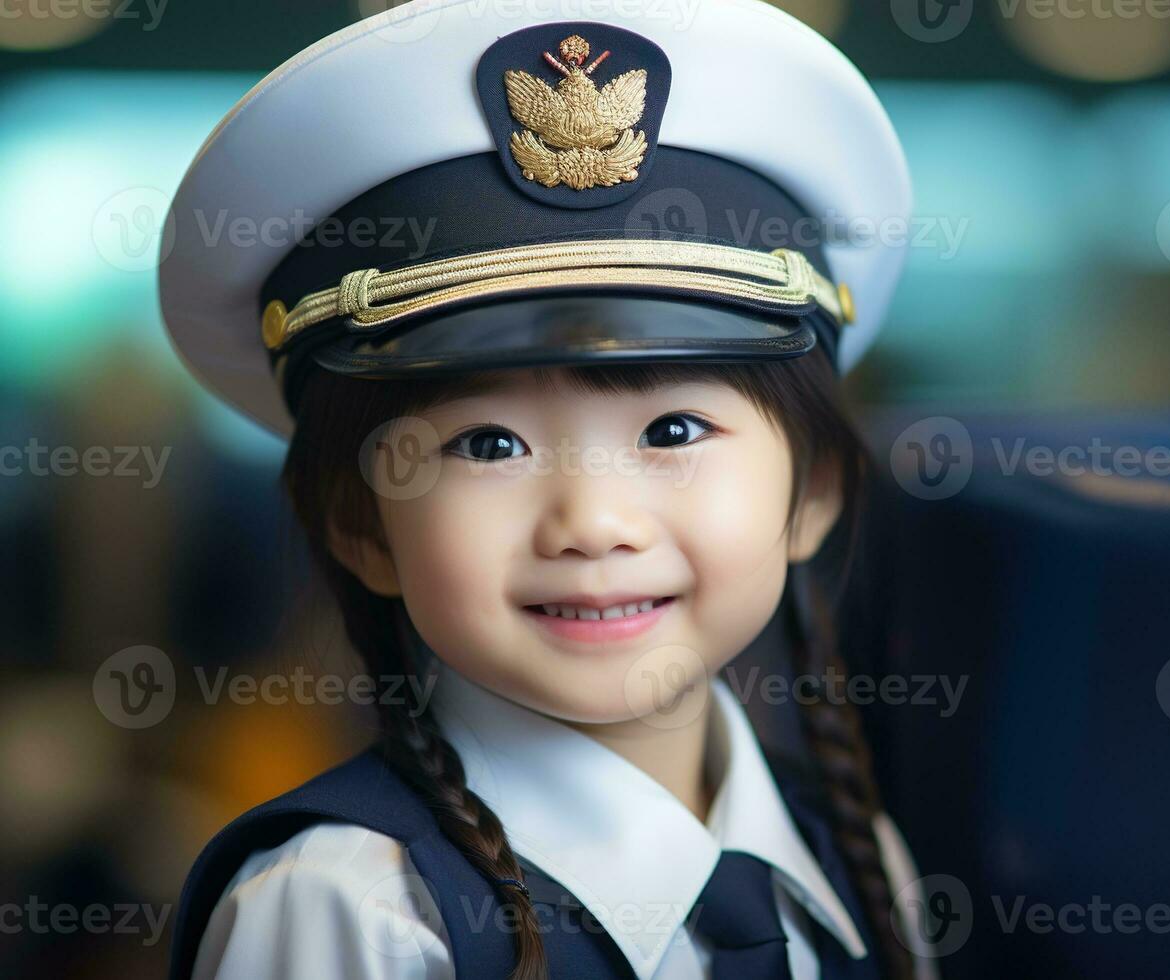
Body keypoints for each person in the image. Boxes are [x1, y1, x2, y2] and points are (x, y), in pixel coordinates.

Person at [159, 2, 925, 977]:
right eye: (487, 443)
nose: (592, 522)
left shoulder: (861, 868)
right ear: (364, 527)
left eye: (674, 430)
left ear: (811, 492)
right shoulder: (354, 907)